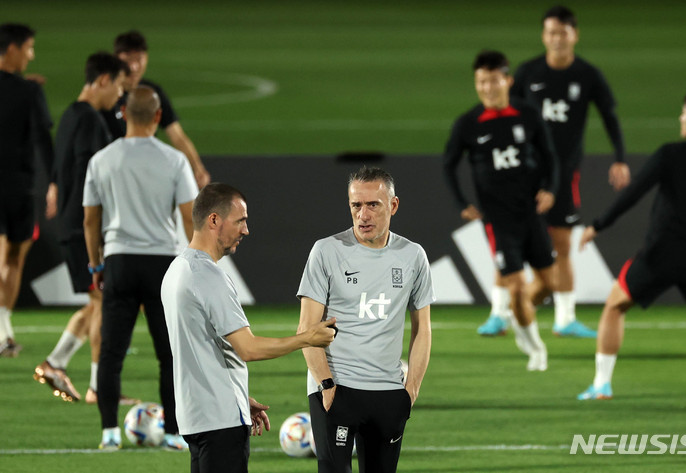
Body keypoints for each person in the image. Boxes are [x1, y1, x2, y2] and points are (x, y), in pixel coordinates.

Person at [476, 5, 630, 339]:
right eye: (550, 32)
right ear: (543, 36)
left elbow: (610, 115)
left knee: (561, 243)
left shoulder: (588, 75)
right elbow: (503, 114)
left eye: (562, 32)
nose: (556, 38)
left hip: (562, 175)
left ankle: (564, 318)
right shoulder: (529, 71)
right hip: (522, 176)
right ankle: (498, 314)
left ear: (574, 34)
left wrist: (620, 157)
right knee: (510, 243)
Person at [161, 183, 337, 473]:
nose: (246, 230)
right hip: (220, 422)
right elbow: (249, 348)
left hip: (198, 416)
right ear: (214, 220)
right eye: (240, 220)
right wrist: (308, 338)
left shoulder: (177, 270)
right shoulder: (208, 275)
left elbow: (198, 350)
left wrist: (239, 398)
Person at [577, 89, 686, 400]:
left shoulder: (670, 154)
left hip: (660, 254)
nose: (680, 119)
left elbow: (633, 193)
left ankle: (601, 384)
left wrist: (597, 225)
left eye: (684, 114)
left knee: (615, 306)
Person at [297, 166, 434, 473]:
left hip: (388, 393)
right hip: (337, 387)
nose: (363, 215)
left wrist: (411, 390)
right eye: (356, 206)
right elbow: (306, 328)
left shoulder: (413, 256)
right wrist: (327, 385)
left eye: (374, 205)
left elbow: (422, 329)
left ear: (393, 206)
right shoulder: (326, 251)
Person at [83, 85, 198, 450]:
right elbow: (188, 217)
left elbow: (90, 220)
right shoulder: (174, 159)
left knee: (111, 354)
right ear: (159, 117)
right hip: (162, 263)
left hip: (117, 260)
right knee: (169, 354)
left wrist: (95, 263)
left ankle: (109, 434)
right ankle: (173, 433)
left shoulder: (102, 159)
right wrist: (195, 262)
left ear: (123, 113)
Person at [443, 50, 559, 371]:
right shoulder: (468, 123)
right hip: (498, 219)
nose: (487, 87)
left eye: (493, 80)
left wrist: (549, 189)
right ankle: (535, 347)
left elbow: (550, 156)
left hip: (531, 213)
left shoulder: (528, 114)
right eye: (481, 81)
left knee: (549, 284)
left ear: (507, 80)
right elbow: (448, 165)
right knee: (517, 285)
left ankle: (516, 314)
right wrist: (460, 203)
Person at [33, 52, 129, 404]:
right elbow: (98, 176)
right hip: (86, 226)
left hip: (73, 224)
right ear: (103, 79)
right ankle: (98, 388)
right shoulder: (90, 120)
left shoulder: (72, 115)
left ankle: (56, 362)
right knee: (104, 302)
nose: (119, 95)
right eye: (118, 85)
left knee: (96, 302)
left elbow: (64, 173)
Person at [0, 23, 54, 357]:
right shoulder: (29, 92)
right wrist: (53, 182)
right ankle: (2, 330)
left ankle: (3, 328)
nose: (32, 55)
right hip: (17, 187)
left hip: (17, 187)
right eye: (29, 48)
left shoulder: (27, 89)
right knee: (9, 256)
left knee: (11, 255)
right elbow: (44, 142)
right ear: (13, 49)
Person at [102, 30, 210, 188]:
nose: (133, 66)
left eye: (139, 59)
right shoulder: (106, 94)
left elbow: (177, 134)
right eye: (128, 60)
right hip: (114, 174)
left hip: (147, 173)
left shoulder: (152, 92)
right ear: (116, 59)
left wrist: (197, 167)